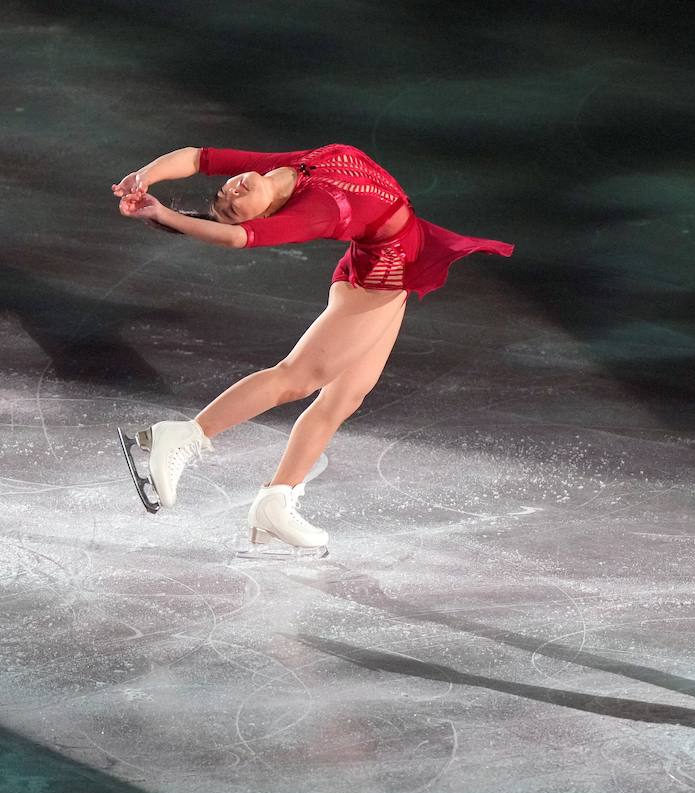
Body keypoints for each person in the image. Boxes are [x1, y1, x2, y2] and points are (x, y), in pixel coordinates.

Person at [112, 144, 513, 556]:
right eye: (235, 206)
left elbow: (199, 158)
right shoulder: (312, 213)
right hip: (375, 280)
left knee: (345, 396)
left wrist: (144, 177)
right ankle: (183, 436)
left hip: (393, 272)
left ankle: (275, 504)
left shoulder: (280, 168)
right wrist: (161, 214)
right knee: (299, 377)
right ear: (265, 217)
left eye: (226, 193)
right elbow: (236, 238)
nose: (231, 194)